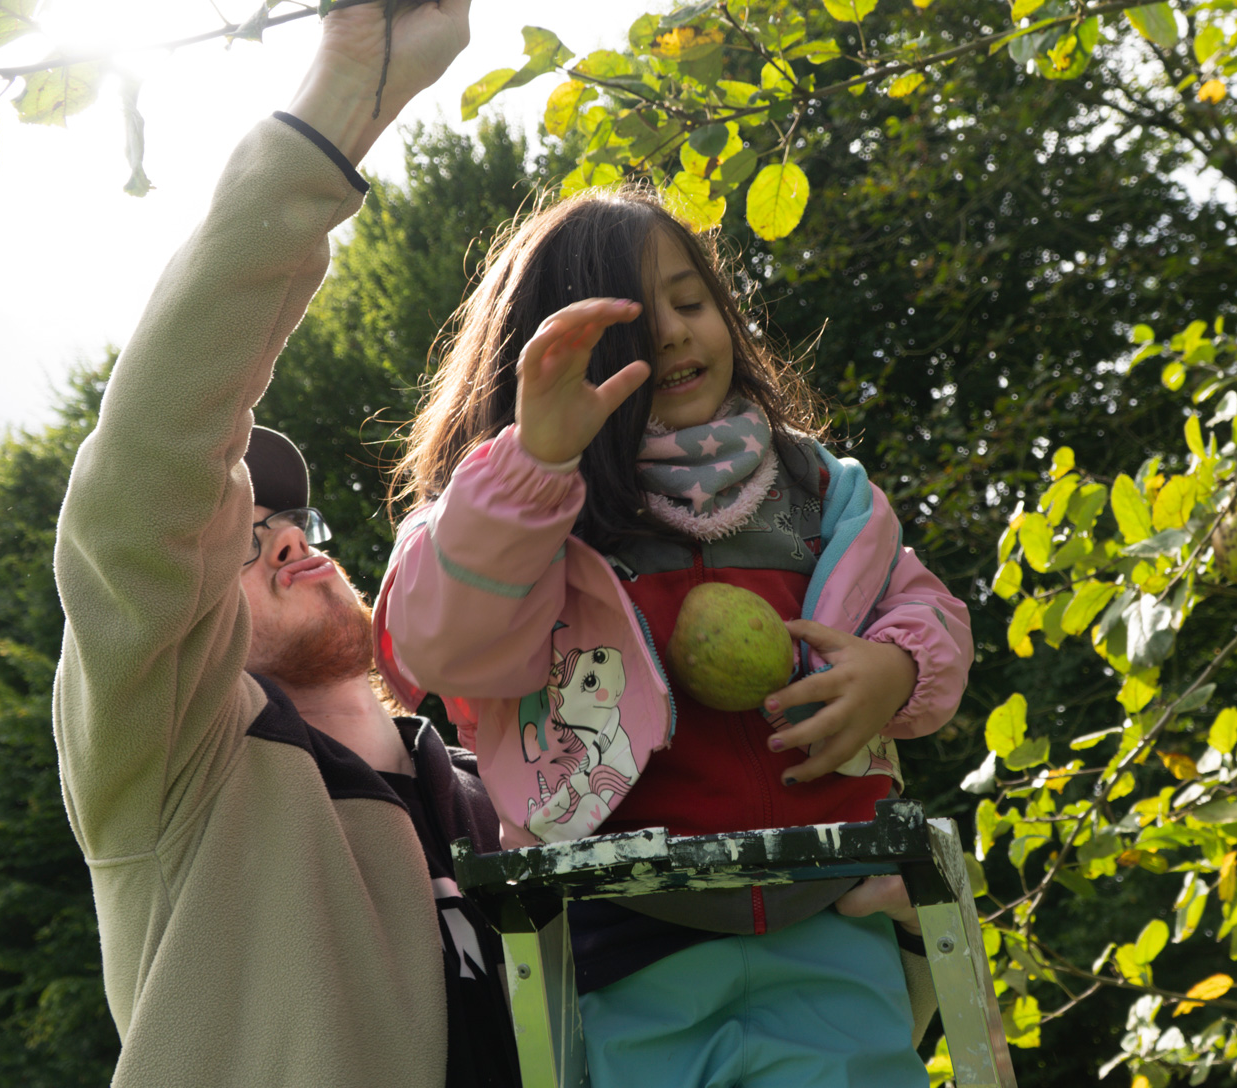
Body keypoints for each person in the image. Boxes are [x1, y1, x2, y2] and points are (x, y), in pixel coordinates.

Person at [52, 0, 516, 1088]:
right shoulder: (174, 769)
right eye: (243, 539)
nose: (289, 540)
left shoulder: (506, 784)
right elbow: (144, 481)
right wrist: (340, 106)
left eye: (292, 526)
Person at [373, 190, 975, 1087]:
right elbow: (435, 643)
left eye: (691, 303)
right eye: (634, 327)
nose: (676, 337)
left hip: (831, 909)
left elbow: (923, 608)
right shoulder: (524, 517)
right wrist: (537, 465)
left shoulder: (816, 489)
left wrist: (893, 670)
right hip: (625, 937)